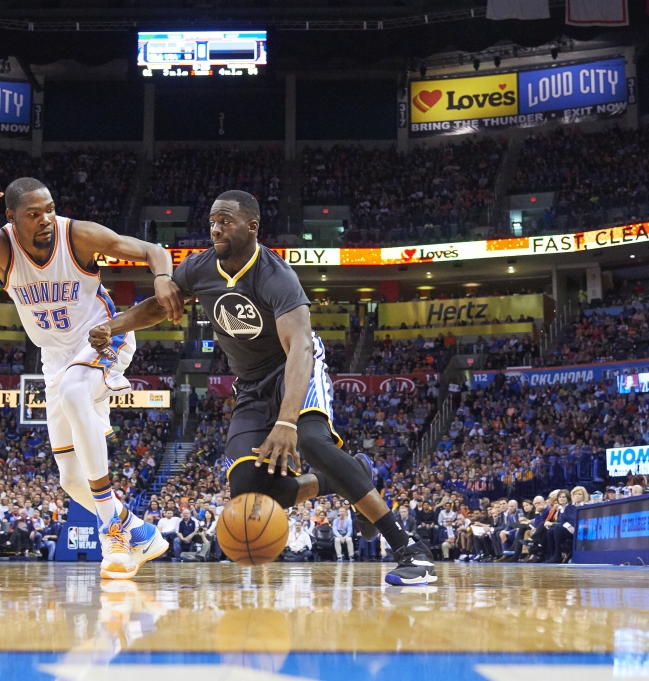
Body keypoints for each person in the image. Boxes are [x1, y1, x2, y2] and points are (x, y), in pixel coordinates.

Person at [90, 190, 436, 586]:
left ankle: (410, 548)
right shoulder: (200, 268)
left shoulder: (276, 275)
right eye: (212, 222)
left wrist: (287, 423)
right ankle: (342, 476)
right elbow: (156, 306)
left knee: (312, 442)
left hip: (295, 367)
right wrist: (113, 326)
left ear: (252, 227)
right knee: (251, 489)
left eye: (225, 221)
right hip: (251, 385)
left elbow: (301, 348)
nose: (215, 229)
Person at [0, 178, 181, 580]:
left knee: (77, 389)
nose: (45, 219)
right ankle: (138, 529)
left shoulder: (77, 235)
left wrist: (163, 277)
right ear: (11, 218)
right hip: (56, 357)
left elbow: (153, 251)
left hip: (103, 336)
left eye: (49, 208)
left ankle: (111, 532)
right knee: (68, 478)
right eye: (33, 214)